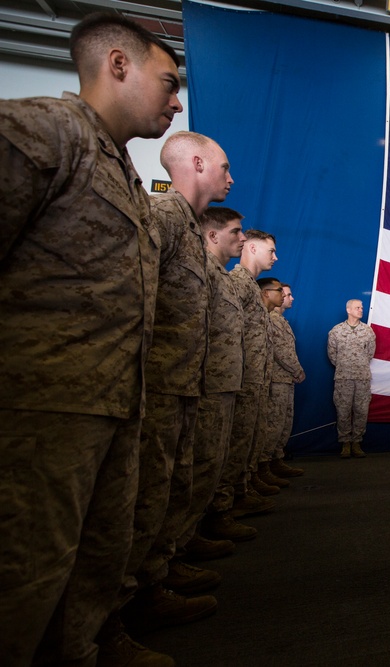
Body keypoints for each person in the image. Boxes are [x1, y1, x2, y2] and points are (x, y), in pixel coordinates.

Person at [0, 12, 181, 667]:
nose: (176, 97)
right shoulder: (42, 129)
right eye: (168, 79)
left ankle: (80, 651)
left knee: (92, 557)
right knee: (23, 572)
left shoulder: (124, 174)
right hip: (38, 410)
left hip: (110, 402)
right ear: (117, 64)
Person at [109, 131, 232, 642]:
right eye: (225, 167)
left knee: (169, 490)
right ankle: (123, 609)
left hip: (184, 385)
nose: (231, 177)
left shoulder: (185, 226)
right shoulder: (161, 216)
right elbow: (132, 297)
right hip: (156, 387)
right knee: (142, 498)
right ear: (198, 162)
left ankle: (158, 574)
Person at [205, 229, 279, 536]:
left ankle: (239, 491)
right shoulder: (237, 284)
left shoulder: (248, 287)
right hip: (233, 380)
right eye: (271, 250)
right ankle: (221, 509)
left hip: (250, 380)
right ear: (251, 247)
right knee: (230, 447)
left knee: (244, 443)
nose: (275, 256)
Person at [195, 208, 261, 545]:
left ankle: (210, 518)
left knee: (217, 457)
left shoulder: (222, 276)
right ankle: (191, 535)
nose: (243, 238)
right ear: (212, 236)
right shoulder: (208, 273)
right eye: (236, 232)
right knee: (202, 461)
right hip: (206, 383)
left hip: (228, 381)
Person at [260, 283, 307, 479]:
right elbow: (281, 351)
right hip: (276, 379)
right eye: (287, 294)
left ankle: (276, 461)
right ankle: (262, 467)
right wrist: (297, 370)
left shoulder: (282, 321)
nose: (291, 298)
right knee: (273, 424)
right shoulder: (272, 319)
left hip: (285, 379)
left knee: (284, 423)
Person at [326, 299, 376, 458]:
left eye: (361, 307)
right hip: (343, 377)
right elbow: (332, 355)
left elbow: (370, 354)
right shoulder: (336, 331)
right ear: (348, 309)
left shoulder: (368, 331)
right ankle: (345, 443)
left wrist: (358, 364)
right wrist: (345, 365)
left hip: (362, 377)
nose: (361, 310)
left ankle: (357, 442)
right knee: (343, 410)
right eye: (357, 307)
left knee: (362, 410)